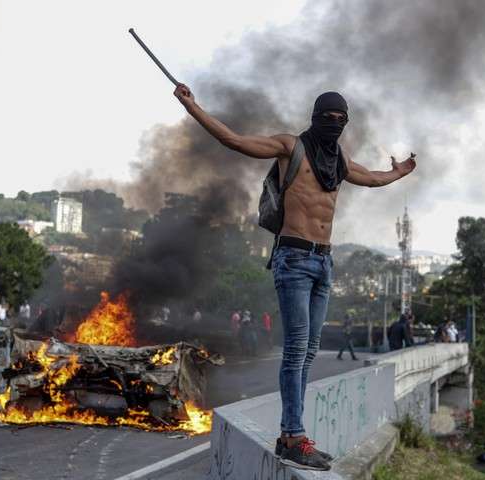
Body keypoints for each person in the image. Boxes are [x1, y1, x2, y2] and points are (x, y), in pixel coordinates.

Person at [174, 84, 416, 470]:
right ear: (315, 118)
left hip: (324, 262)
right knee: (296, 349)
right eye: (328, 118)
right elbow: (234, 140)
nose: (334, 125)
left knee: (307, 352)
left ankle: (292, 436)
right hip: (294, 258)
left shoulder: (338, 160)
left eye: (341, 120)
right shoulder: (291, 147)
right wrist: (192, 106)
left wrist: (400, 171)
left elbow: (371, 177)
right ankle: (294, 436)